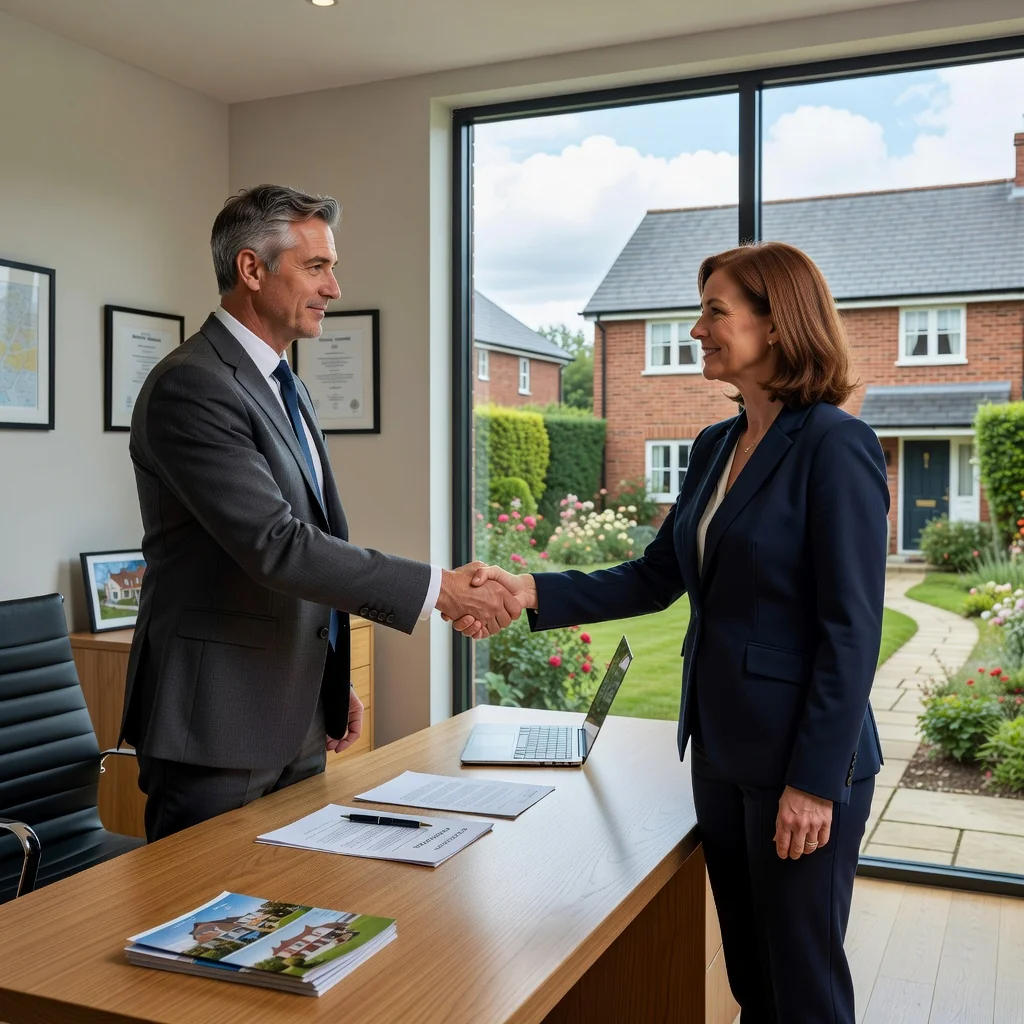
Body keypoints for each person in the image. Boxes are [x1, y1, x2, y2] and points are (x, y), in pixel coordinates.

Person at [468, 241, 888, 1023]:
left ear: (776, 323)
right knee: (753, 979)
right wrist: (527, 589)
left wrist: (813, 782)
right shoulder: (715, 446)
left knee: (804, 989)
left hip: (800, 765)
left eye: (713, 312)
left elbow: (852, 630)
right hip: (722, 753)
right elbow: (655, 576)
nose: (697, 330)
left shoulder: (835, 445)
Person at [121, 184, 516, 842]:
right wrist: (441, 588)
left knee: (295, 900)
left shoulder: (286, 384)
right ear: (252, 269)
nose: (334, 287)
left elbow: (311, 540)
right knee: (210, 905)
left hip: (293, 711)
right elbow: (278, 545)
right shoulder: (193, 384)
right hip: (214, 724)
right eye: (316, 267)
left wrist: (324, 681)